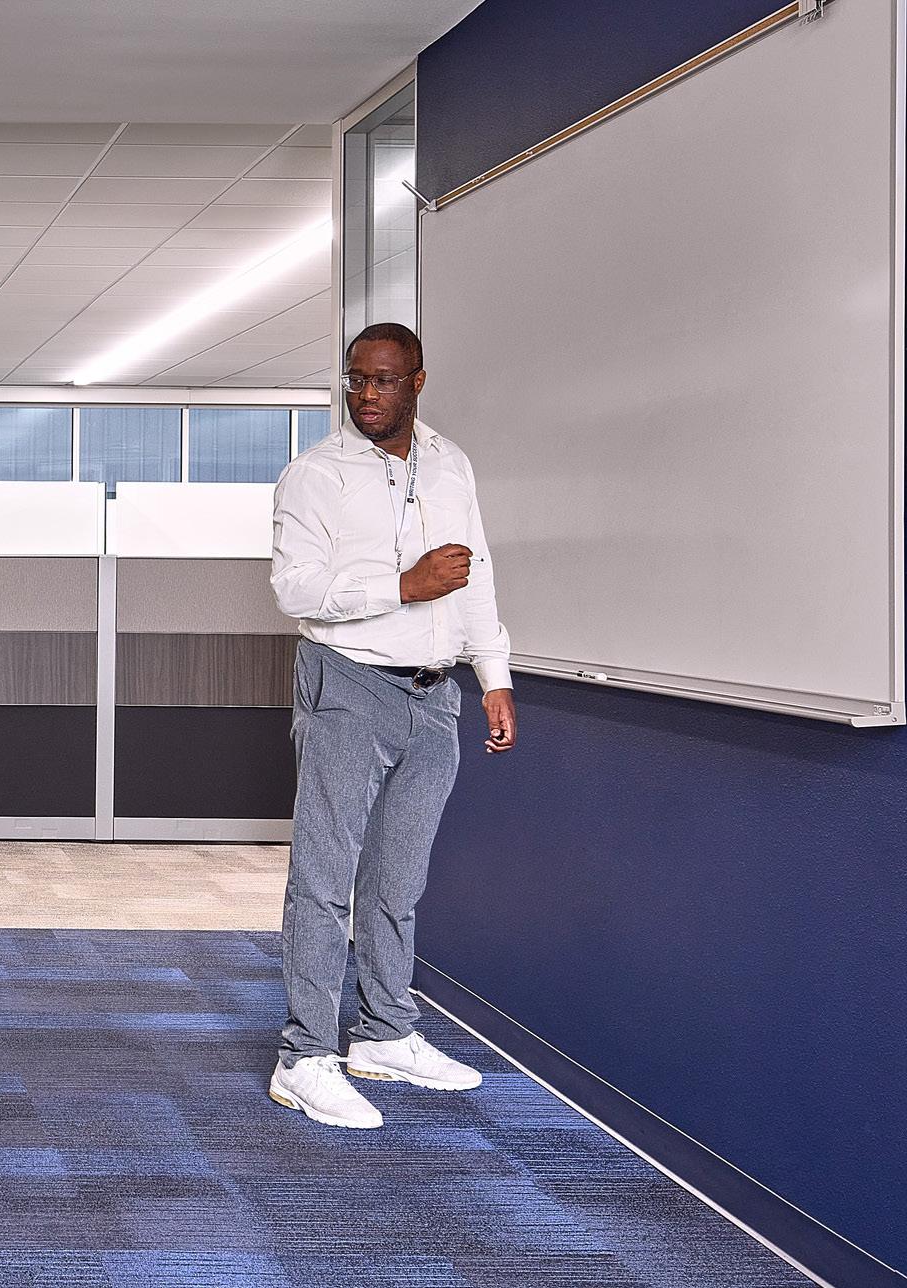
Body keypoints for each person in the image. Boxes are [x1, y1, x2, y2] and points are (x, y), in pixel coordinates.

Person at [263, 322, 519, 1130]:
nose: (366, 394)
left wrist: (494, 675)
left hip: (435, 693)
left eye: (382, 380)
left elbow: (476, 574)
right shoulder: (315, 475)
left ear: (417, 382)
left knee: (397, 880)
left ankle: (384, 1033)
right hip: (347, 681)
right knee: (323, 877)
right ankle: (304, 1054)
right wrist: (400, 584)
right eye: (356, 379)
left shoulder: (451, 464)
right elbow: (294, 588)